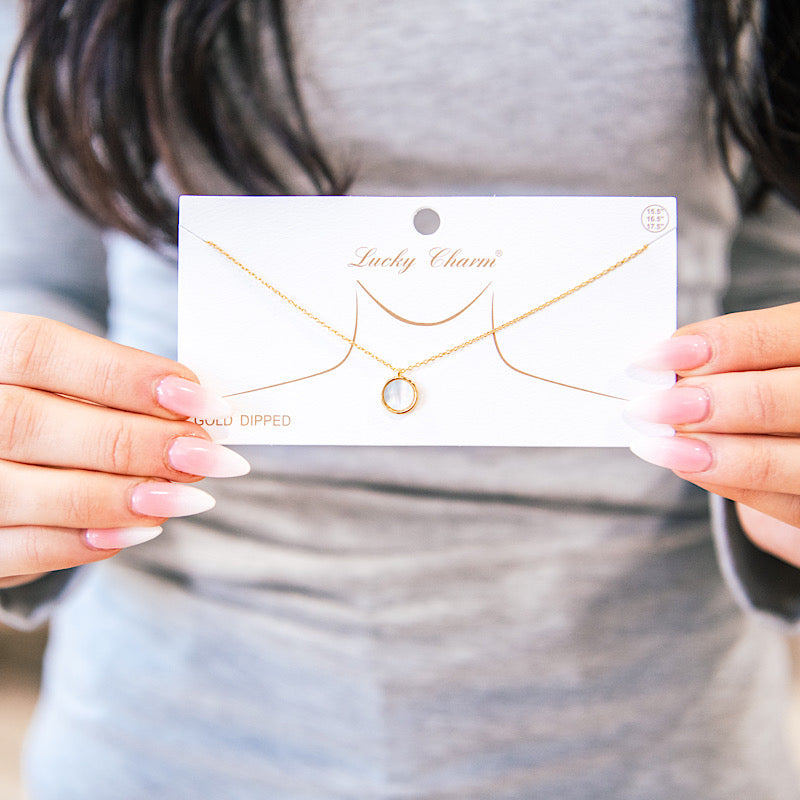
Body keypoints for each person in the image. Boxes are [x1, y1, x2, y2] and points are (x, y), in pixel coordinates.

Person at [2, 0, 800, 797]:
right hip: (164, 739)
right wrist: (34, 443)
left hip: (660, 746)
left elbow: (772, 285)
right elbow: (36, 271)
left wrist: (770, 447)